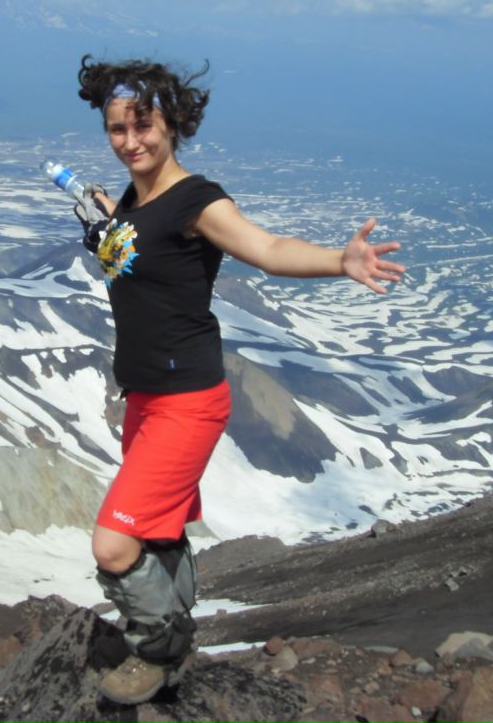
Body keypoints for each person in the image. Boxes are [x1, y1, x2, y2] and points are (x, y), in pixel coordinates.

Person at [71, 54, 405, 705]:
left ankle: (159, 648)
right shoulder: (138, 200)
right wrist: (111, 226)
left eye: (143, 126)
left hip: (186, 400)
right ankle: (175, 646)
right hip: (145, 393)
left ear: (172, 124)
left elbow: (269, 249)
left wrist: (341, 259)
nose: (130, 141)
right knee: (158, 530)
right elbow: (144, 254)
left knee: (114, 545)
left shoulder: (198, 200)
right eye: (117, 129)